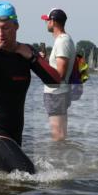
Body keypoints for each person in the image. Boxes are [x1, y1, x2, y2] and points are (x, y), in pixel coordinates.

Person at [0, 1, 61, 174]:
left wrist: (33, 58)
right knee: (28, 173)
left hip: (14, 132)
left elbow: (55, 81)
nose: (0, 34)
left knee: (0, 183)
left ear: (16, 26)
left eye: (5, 28)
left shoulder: (26, 52)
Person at [40, 8, 75, 141]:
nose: (46, 23)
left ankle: (58, 154)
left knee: (58, 135)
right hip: (58, 93)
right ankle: (61, 153)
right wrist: (44, 62)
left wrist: (41, 66)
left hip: (56, 93)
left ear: (53, 21)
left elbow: (60, 74)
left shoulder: (62, 41)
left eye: (47, 20)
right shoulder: (63, 40)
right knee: (60, 134)